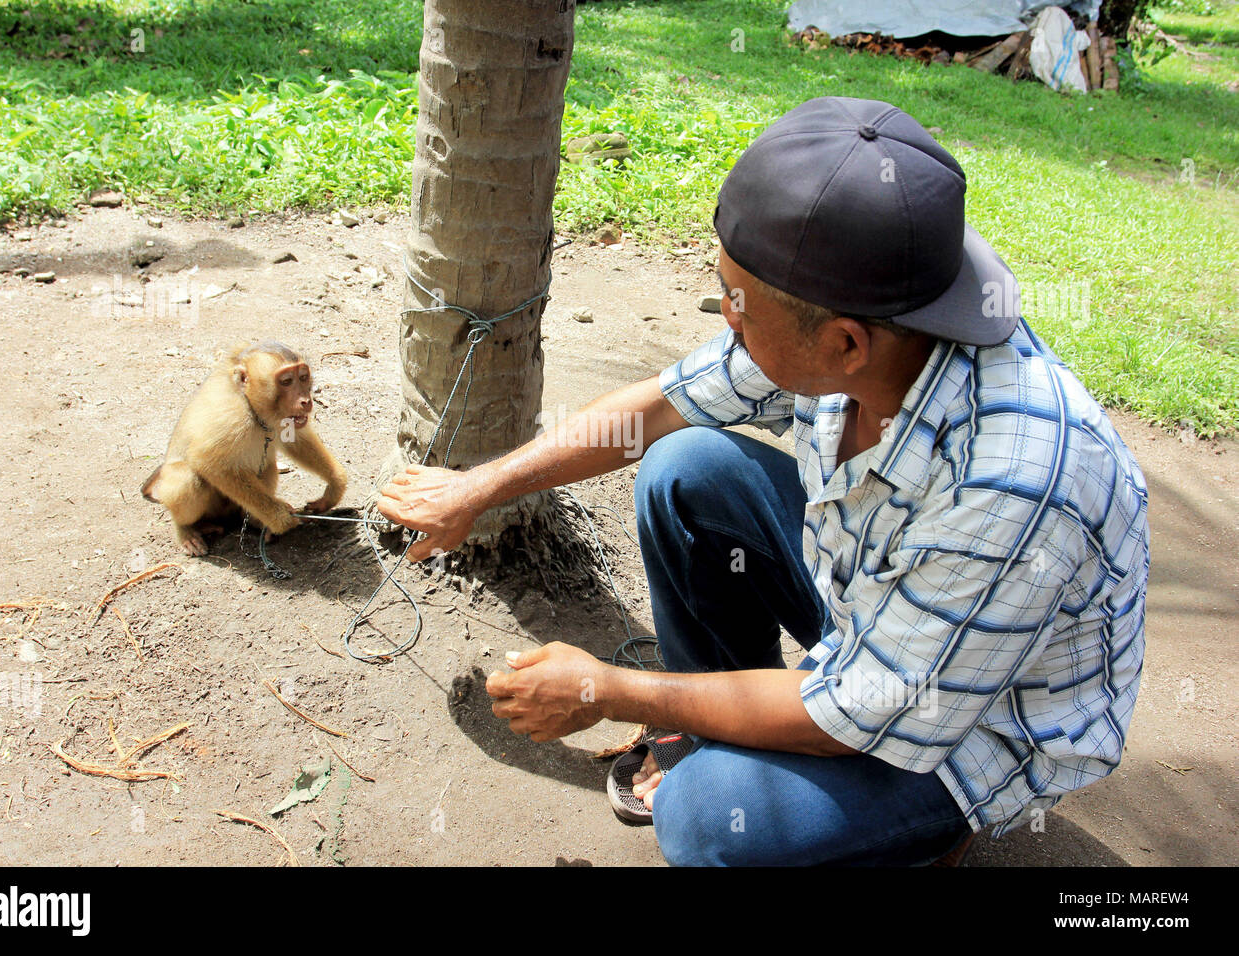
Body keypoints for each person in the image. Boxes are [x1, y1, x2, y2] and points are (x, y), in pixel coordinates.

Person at [375, 97, 1149, 866]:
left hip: (969, 720)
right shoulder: (877, 318)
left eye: (739, 305)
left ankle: (930, 833)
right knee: (686, 470)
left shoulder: (1013, 480)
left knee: (710, 819)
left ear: (845, 343)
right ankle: (717, 727)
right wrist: (476, 489)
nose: (725, 317)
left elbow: (859, 710)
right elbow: (654, 412)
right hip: (874, 615)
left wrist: (610, 690)